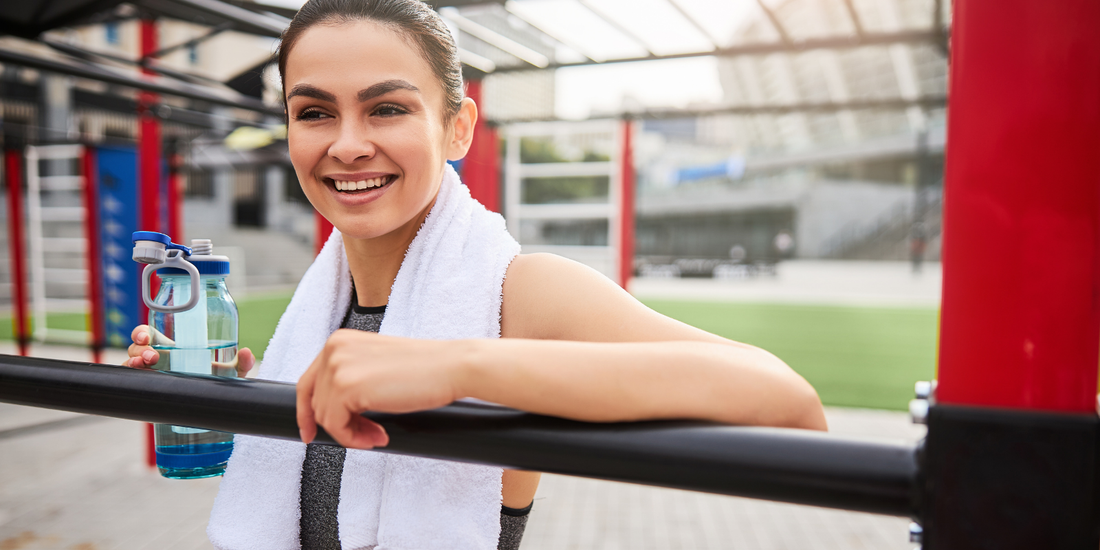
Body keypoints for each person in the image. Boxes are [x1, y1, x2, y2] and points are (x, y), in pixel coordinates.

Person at [126, 0, 827, 548]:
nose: (346, 143)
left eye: (388, 108)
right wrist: (238, 407)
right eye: (314, 112)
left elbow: (790, 406)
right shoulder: (314, 323)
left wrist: (458, 368)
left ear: (458, 129)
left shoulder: (518, 294)